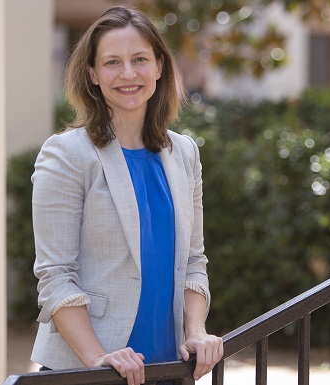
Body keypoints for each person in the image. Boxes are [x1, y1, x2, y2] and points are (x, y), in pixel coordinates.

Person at [29, 6, 223, 385]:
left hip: (168, 366)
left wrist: (196, 331)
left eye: (139, 60)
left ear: (160, 67)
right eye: (112, 62)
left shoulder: (184, 153)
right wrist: (97, 358)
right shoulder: (66, 154)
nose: (128, 74)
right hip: (89, 370)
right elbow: (55, 277)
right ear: (93, 74)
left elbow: (193, 262)